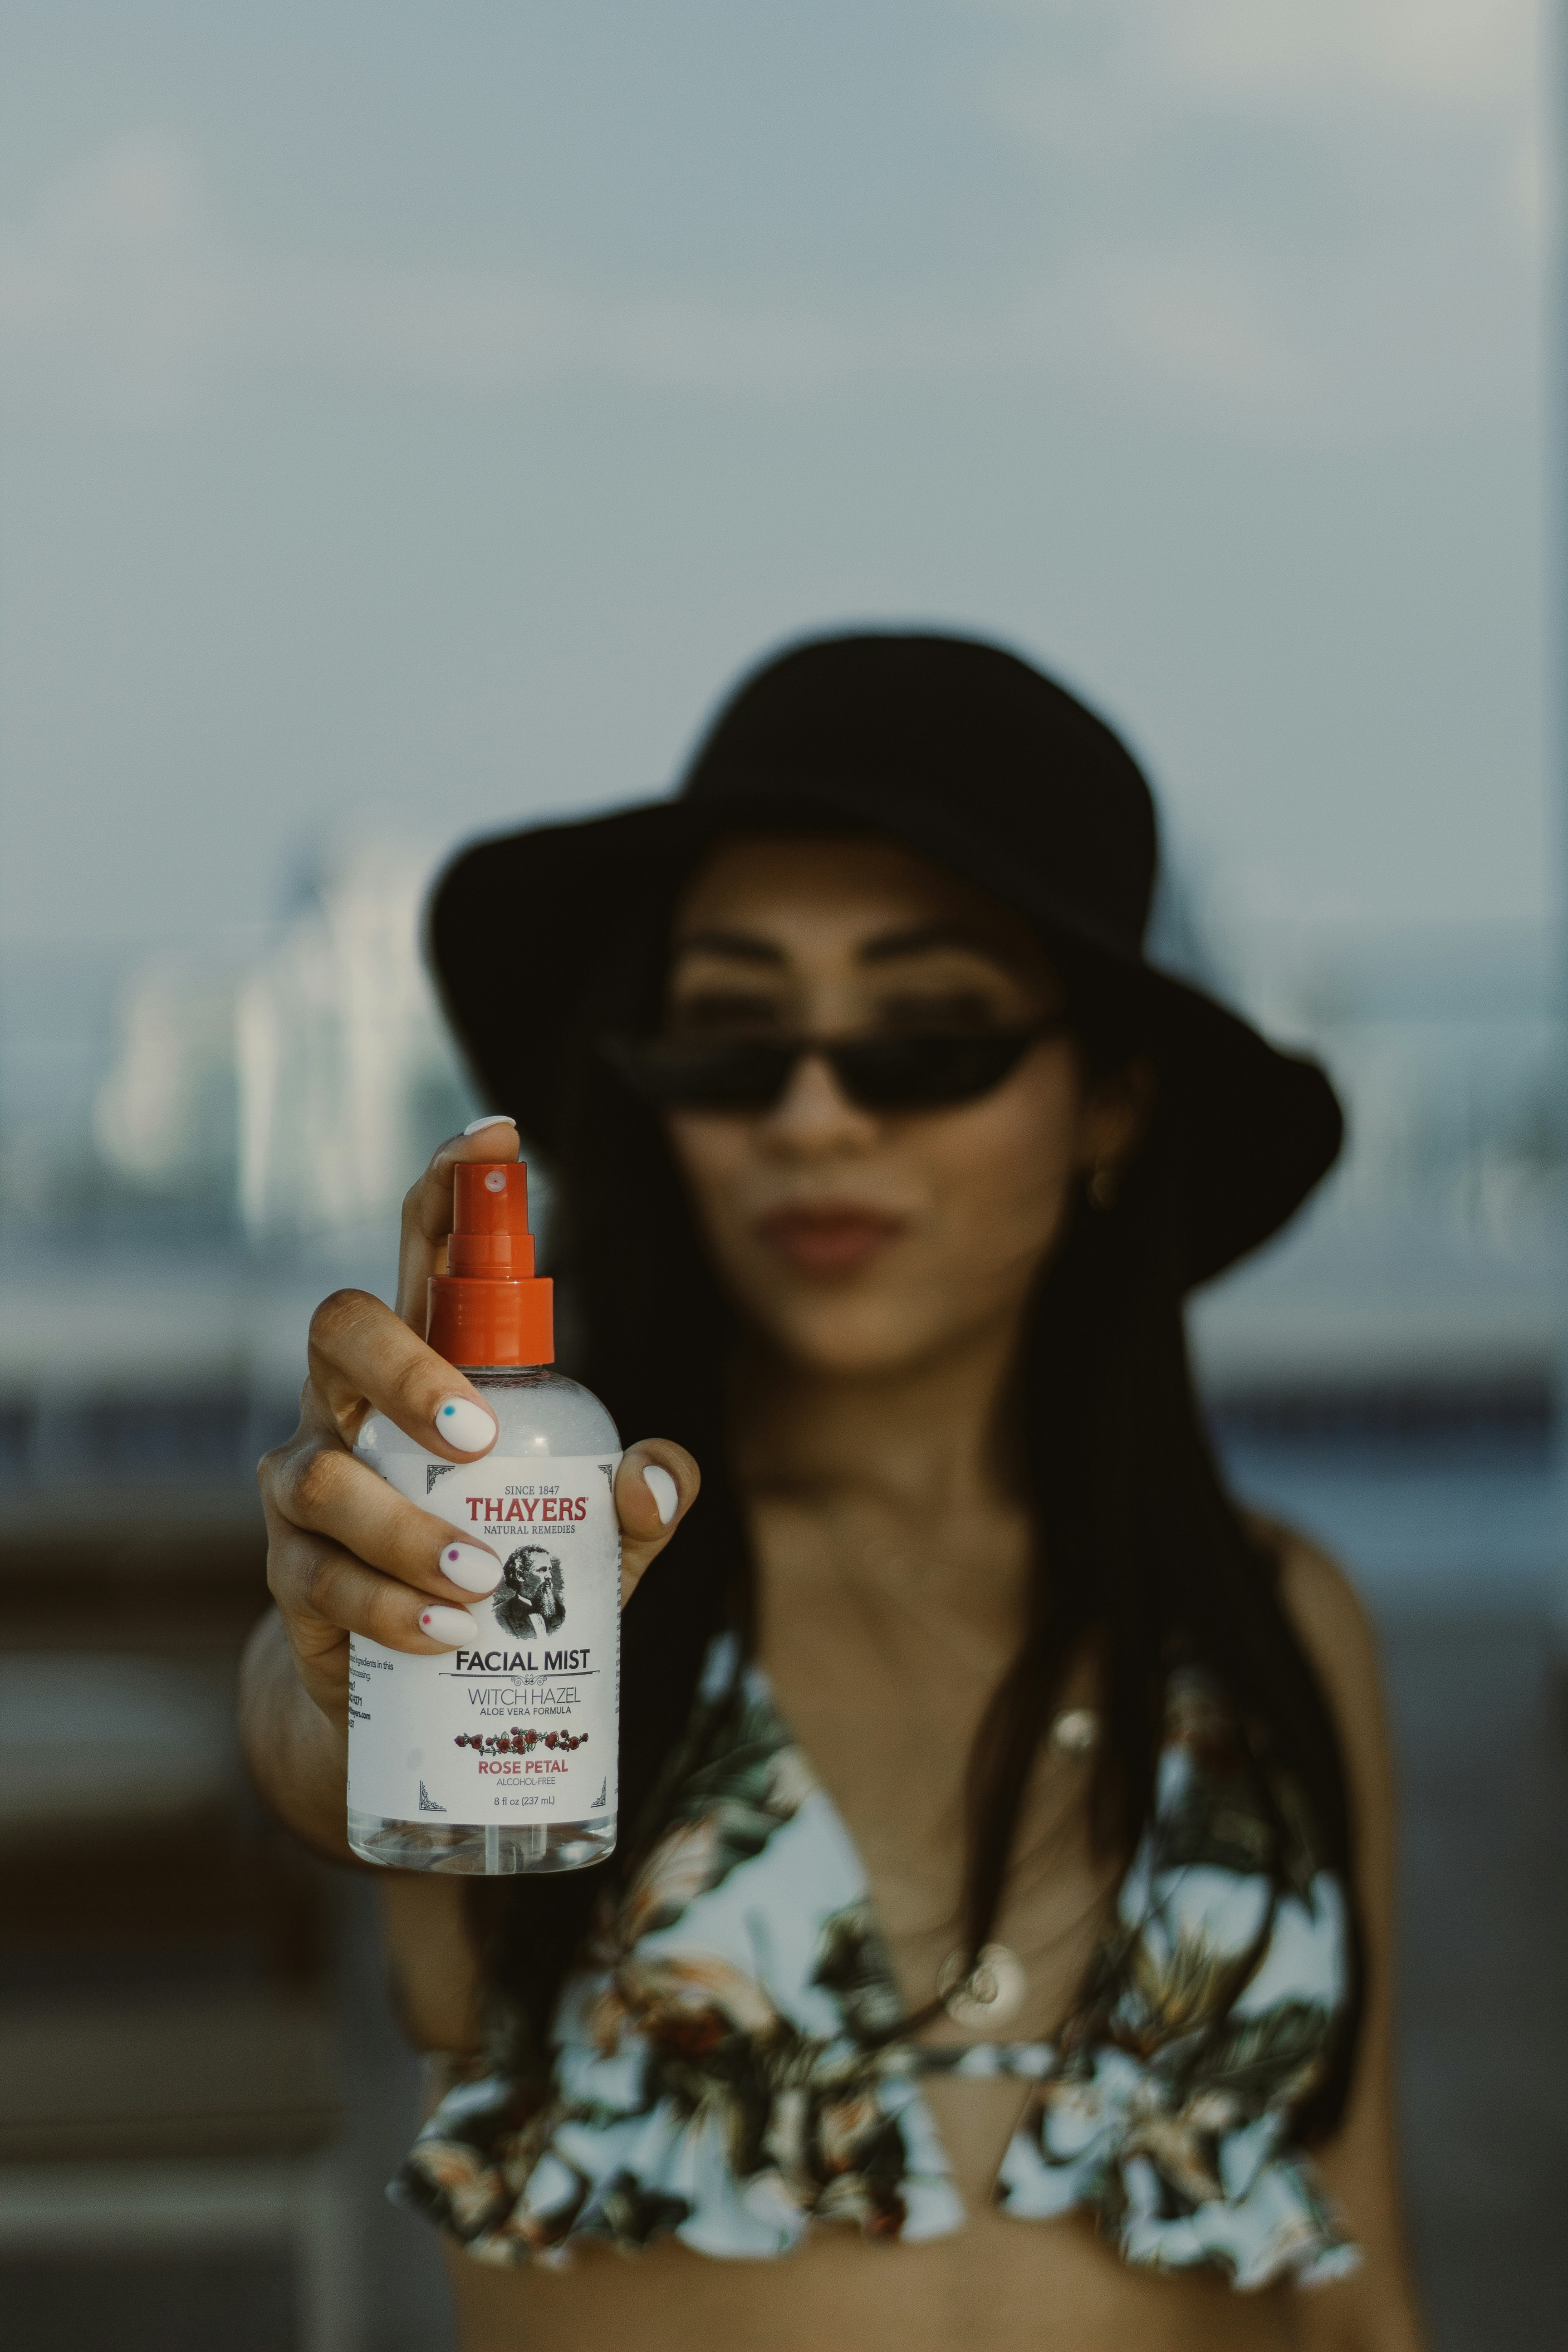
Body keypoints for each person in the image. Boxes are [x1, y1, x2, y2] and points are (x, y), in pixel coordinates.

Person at [241, 634, 1426, 2352]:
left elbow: (1360, 2286)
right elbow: (315, 1744)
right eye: (734, 1034)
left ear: (1109, 1101)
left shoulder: (1274, 1627)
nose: (812, 1113)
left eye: (924, 1034)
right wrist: (345, 1671)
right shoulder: (561, 1577)